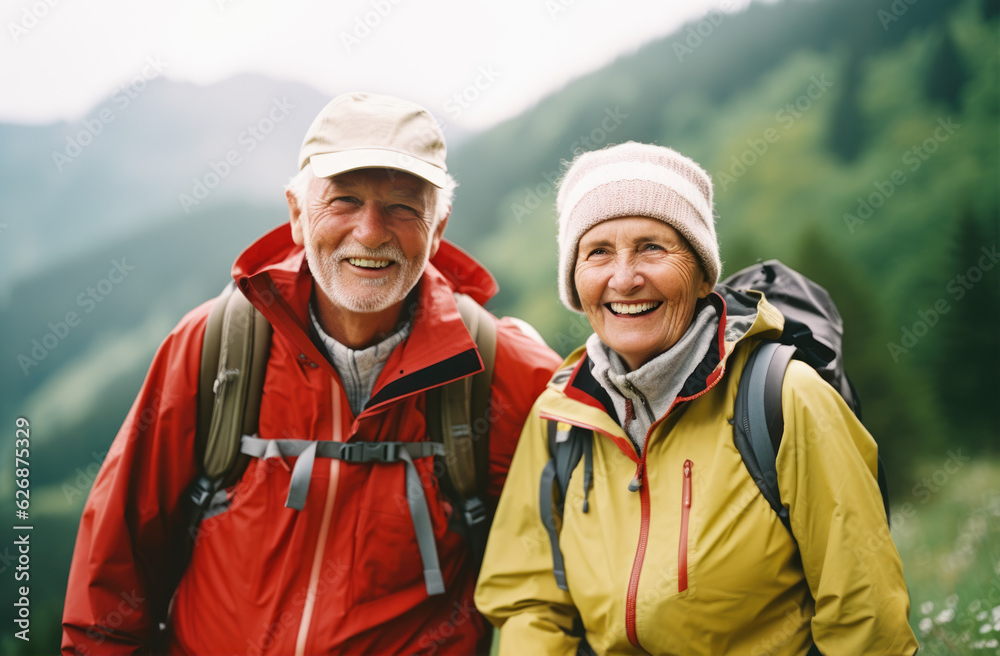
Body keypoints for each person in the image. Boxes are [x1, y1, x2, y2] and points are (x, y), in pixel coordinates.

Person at [61, 92, 561, 654]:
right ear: (297, 215)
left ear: (439, 227)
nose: (370, 233)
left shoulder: (500, 371)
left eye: (403, 206)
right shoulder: (217, 348)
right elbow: (113, 573)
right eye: (344, 200)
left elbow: (575, 572)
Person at [474, 142, 918, 654]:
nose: (624, 278)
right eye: (597, 252)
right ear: (575, 281)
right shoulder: (560, 416)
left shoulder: (784, 399)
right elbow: (528, 599)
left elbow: (865, 617)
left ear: (704, 272)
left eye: (652, 248)